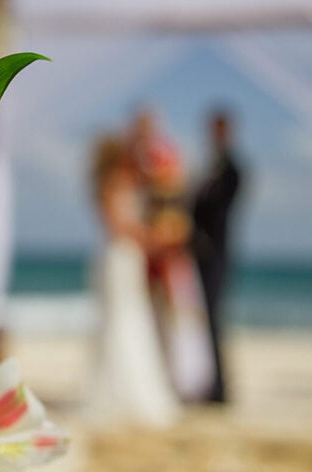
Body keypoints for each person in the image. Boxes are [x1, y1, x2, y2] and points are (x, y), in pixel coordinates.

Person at [84, 135, 179, 427]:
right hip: (121, 255)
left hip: (123, 256)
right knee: (123, 319)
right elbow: (118, 224)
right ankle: (122, 392)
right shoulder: (115, 181)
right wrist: (153, 238)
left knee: (129, 318)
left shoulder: (111, 181)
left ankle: (121, 390)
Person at [129, 109, 215, 403]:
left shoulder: (168, 159)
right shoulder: (131, 161)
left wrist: (168, 233)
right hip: (148, 250)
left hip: (166, 250)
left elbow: (175, 201)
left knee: (180, 316)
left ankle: (183, 379)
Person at [191, 109, 242, 403]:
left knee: (213, 317)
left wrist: (201, 237)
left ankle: (220, 387)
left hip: (215, 254)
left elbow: (220, 212)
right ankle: (207, 381)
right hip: (198, 254)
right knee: (200, 319)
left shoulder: (233, 170)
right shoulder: (207, 168)